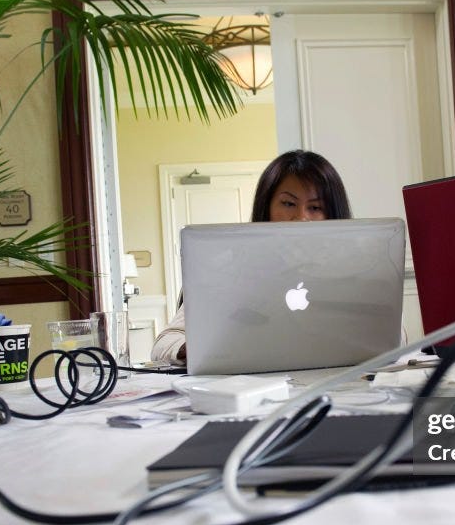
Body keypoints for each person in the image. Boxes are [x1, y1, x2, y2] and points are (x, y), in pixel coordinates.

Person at [151, 150, 352, 364]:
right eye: (288, 203)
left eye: (315, 207)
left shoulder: (356, 268)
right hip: (253, 388)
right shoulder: (227, 268)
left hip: (339, 385)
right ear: (267, 207)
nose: (301, 217)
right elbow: (164, 343)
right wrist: (195, 348)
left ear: (331, 213)